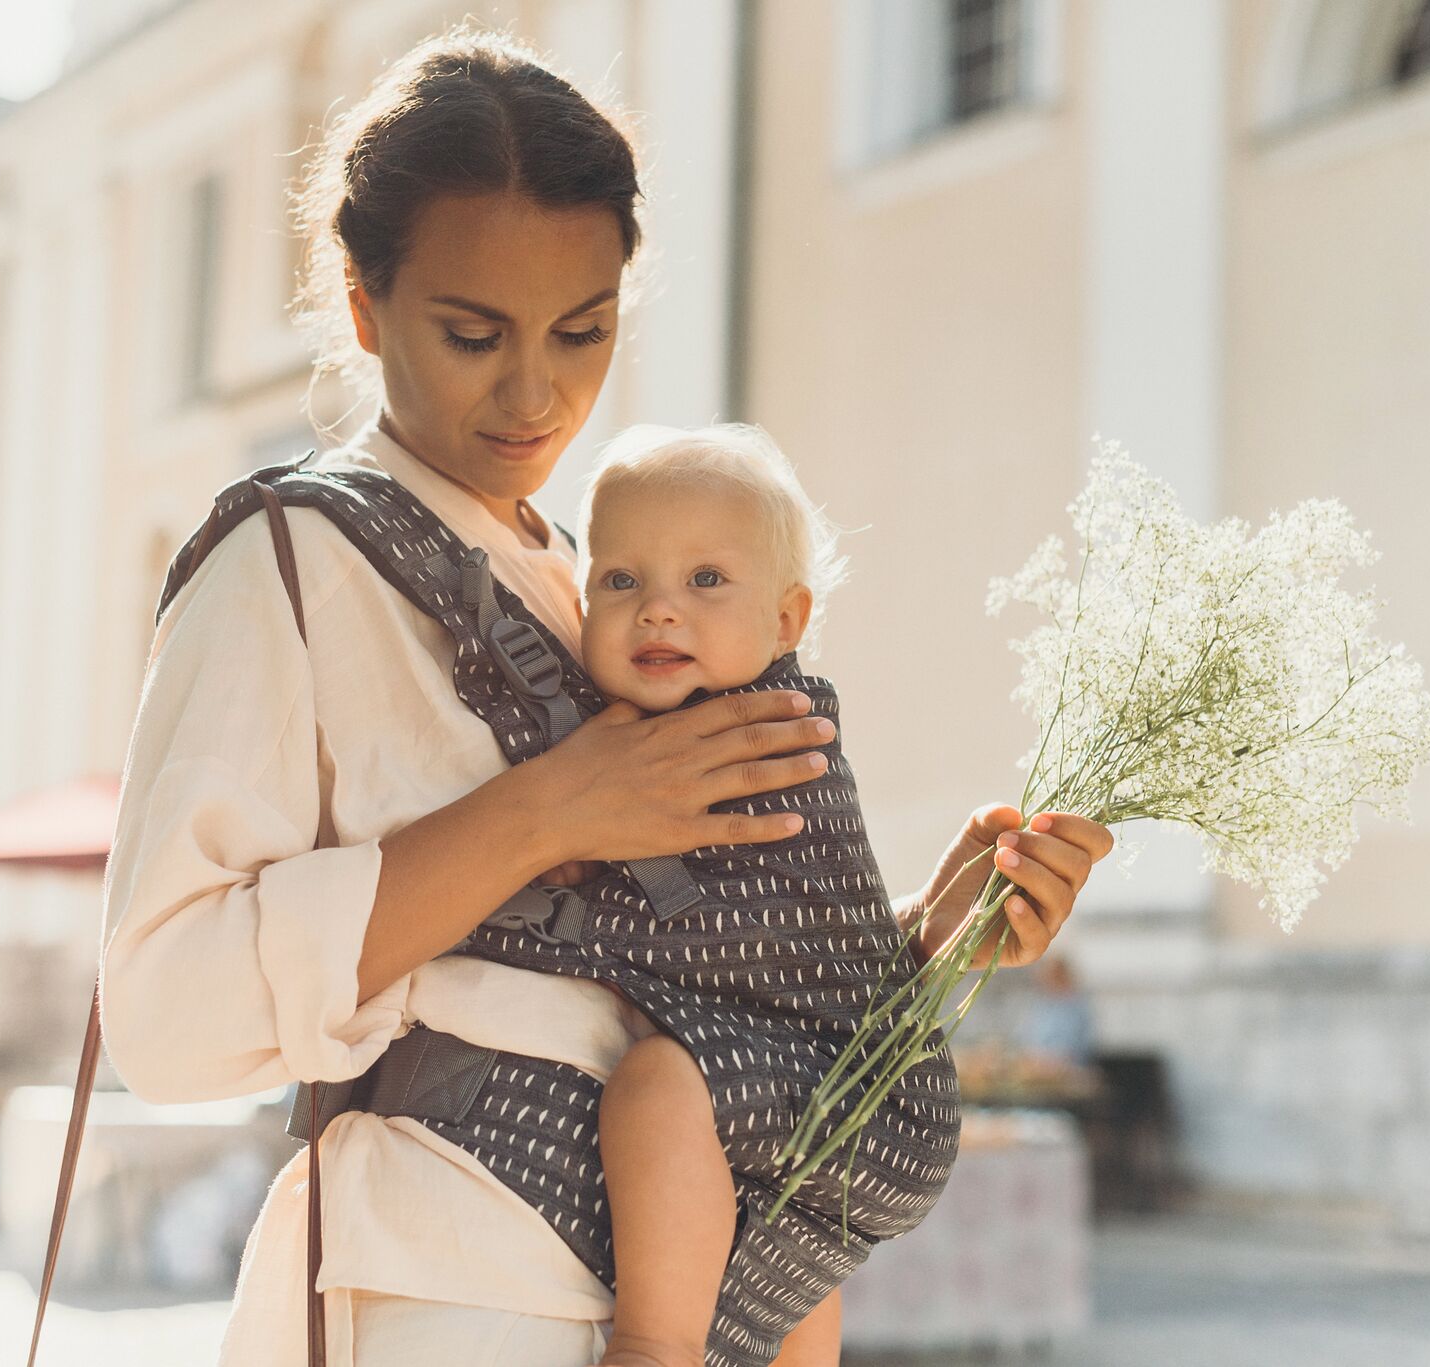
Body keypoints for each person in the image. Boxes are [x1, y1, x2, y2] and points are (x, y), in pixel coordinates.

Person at [98, 29, 1113, 1367]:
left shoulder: (593, 585)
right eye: (472, 334)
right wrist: (545, 808)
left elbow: (654, 961)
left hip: (687, 1289)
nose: (534, 393)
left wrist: (934, 936)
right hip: (452, 1279)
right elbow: (167, 1012)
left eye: (582, 331)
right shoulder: (286, 564)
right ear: (361, 300)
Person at [566, 422, 957, 1367]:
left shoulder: (773, 740)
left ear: (786, 621)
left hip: (858, 1095)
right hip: (823, 1127)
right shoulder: (657, 737)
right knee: (784, 1243)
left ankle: (654, 1346)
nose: (658, 610)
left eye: (706, 580)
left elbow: (794, 925)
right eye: (621, 580)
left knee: (657, 1084)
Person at [1016, 955, 1095, 1071]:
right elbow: (1026, 1039)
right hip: (1038, 1069)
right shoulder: (1040, 1005)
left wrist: (1056, 1060)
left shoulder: (1078, 1006)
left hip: (1069, 1071)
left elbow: (1082, 1045)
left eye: (1054, 975)